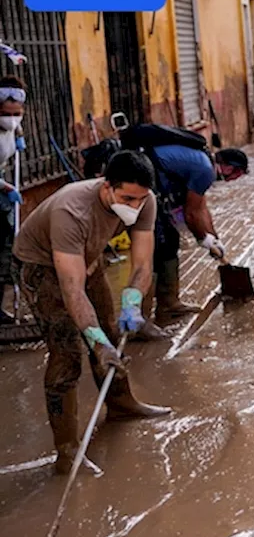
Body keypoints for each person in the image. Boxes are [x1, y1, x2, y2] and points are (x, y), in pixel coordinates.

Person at [15, 150, 170, 473]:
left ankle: (120, 403)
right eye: (127, 199)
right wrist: (94, 340)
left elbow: (142, 263)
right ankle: (67, 450)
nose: (134, 207)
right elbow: (71, 290)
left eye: (140, 200)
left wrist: (132, 299)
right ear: (106, 186)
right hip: (42, 267)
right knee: (67, 353)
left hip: (88, 256)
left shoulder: (145, 200)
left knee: (111, 332)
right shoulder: (71, 210)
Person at [134, 128, 249, 328]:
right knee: (156, 250)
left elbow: (201, 208)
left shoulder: (204, 164)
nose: (234, 180)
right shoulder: (205, 170)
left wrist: (215, 238)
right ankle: (140, 321)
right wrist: (203, 239)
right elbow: (191, 214)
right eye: (237, 174)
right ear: (229, 167)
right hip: (141, 184)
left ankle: (169, 304)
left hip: (152, 183)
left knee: (170, 242)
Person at [0, 76, 26, 323]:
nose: (12, 117)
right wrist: (6, 187)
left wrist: (19, 133)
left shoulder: (13, 124)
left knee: (8, 247)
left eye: (17, 113)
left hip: (3, 192)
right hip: (2, 188)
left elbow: (16, 126)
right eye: (7, 114)